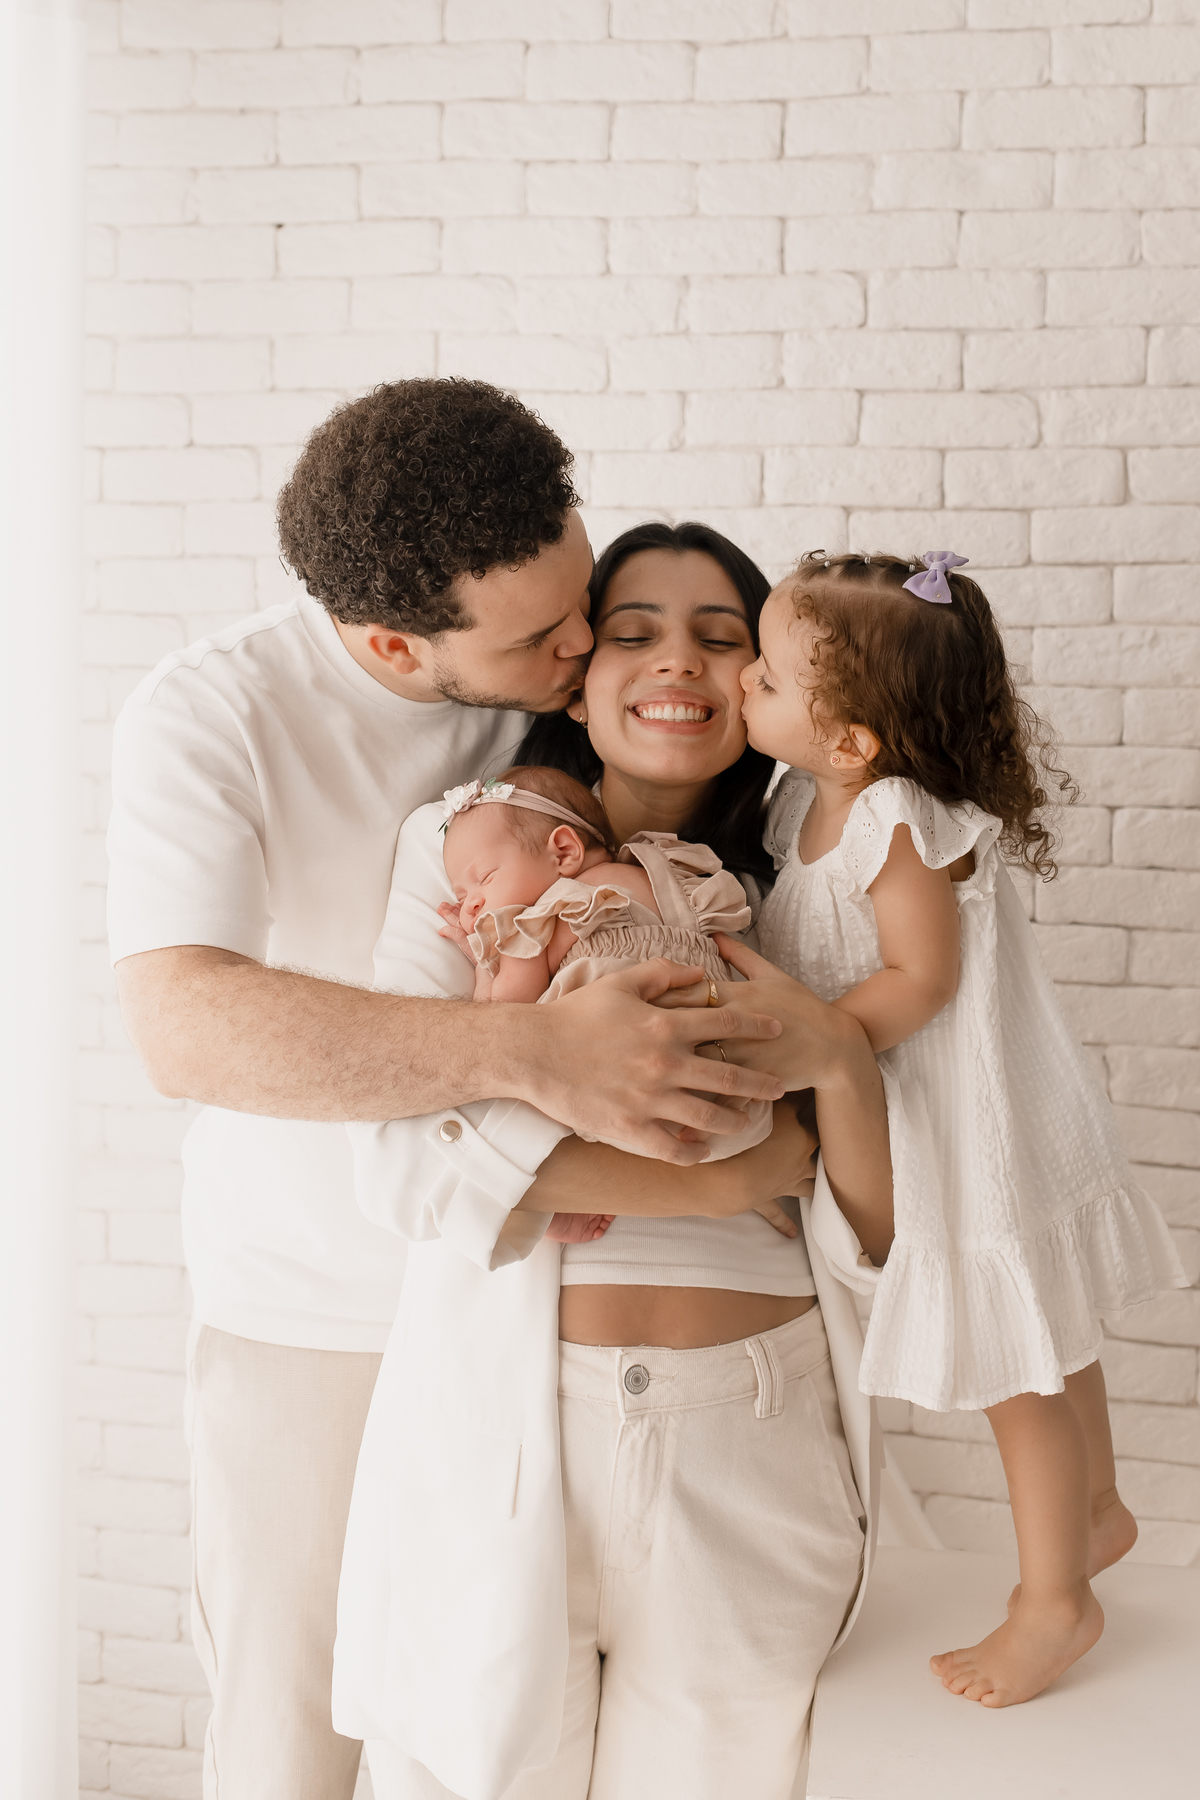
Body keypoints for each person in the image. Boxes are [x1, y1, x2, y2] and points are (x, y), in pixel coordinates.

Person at [106, 385, 788, 1800]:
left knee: (490, 1746)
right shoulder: (217, 713)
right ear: (391, 645)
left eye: (581, 599)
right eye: (542, 639)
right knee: (294, 1741)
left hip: (525, 1315)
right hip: (312, 1314)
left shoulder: (559, 686)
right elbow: (185, 1030)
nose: (581, 648)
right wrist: (538, 1053)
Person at [334, 522, 896, 1800]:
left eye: (721, 637)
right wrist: (725, 1179)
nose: (676, 663)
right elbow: (404, 1162)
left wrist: (847, 1074)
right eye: (632, 632)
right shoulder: (471, 844)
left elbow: (880, 1234)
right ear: (577, 678)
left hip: (752, 1434)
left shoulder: (814, 877)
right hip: (505, 1424)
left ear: (769, 683)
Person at [739, 547, 1186, 1710]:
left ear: (851, 741)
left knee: (1013, 1364)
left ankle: (1056, 1602)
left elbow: (922, 978)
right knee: (1048, 1323)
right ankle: (1096, 1511)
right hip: (951, 1105)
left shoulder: (890, 816)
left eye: (768, 677)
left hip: (958, 1120)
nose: (741, 679)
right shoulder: (805, 799)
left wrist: (819, 1042)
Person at [439, 762, 774, 1173]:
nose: (471, 905)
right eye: (462, 896)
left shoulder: (532, 923)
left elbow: (503, 1018)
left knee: (522, 1092)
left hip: (635, 1095)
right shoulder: (660, 873)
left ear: (564, 852)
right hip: (742, 1088)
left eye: (485, 878)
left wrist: (484, 963)